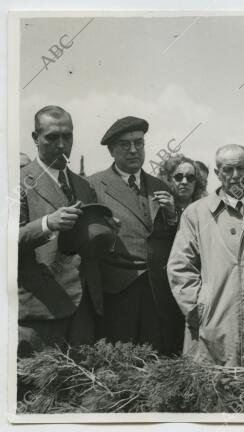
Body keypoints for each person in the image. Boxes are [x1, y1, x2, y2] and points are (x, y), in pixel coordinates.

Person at [167, 144, 244, 366]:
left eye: (241, 168)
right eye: (227, 170)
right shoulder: (196, 213)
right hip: (212, 328)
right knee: (212, 391)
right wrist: (199, 309)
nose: (235, 176)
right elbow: (179, 266)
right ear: (217, 173)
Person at [89, 116, 184, 355]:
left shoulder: (161, 186)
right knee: (121, 362)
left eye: (139, 143)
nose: (133, 150)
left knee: (156, 360)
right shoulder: (93, 186)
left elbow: (175, 241)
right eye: (125, 144)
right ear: (111, 150)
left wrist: (173, 217)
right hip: (118, 292)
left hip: (157, 292)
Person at [18, 106, 101, 356]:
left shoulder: (84, 185)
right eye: (52, 137)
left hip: (83, 308)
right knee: (37, 389)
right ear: (35, 138)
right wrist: (47, 223)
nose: (62, 145)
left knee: (79, 388)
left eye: (68, 136)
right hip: (41, 309)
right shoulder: (16, 182)